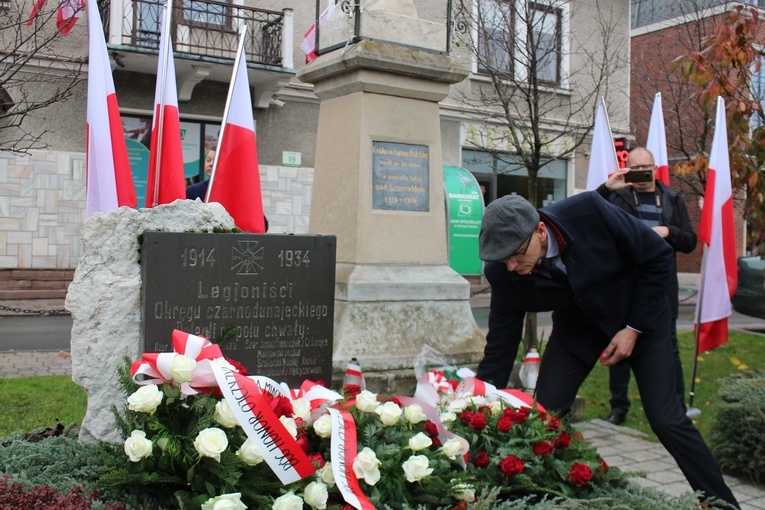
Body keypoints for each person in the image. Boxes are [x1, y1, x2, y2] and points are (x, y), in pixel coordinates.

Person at [476, 192, 739, 509]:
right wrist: (477, 404)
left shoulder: (590, 212)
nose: (513, 266)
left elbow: (657, 256)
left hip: (640, 319)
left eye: (517, 254)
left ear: (541, 230)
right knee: (544, 419)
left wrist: (633, 328)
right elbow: (501, 346)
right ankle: (539, 498)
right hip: (577, 332)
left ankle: (723, 504)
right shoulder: (504, 274)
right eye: (503, 259)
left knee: (666, 419)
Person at [597, 147, 697, 425]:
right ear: (627, 168)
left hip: (662, 290)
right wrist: (608, 187)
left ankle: (677, 406)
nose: (641, 173)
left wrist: (667, 231)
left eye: (646, 167)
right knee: (618, 349)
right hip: (624, 288)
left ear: (654, 168)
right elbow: (591, 215)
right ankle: (619, 407)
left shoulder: (672, 199)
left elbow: (690, 240)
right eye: (634, 167)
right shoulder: (617, 197)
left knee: (671, 349)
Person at [186, 147, 269, 231]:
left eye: (216, 160)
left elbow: (261, 224)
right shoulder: (192, 191)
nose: (211, 164)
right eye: (208, 160)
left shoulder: (239, 194)